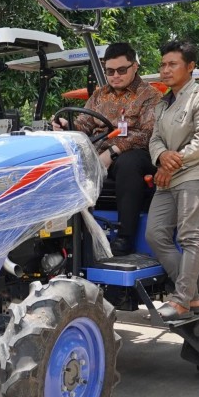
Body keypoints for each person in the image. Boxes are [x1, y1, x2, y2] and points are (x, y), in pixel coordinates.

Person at [52, 42, 162, 255]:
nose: (116, 76)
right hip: (101, 152)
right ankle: (69, 232)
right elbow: (85, 123)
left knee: (127, 164)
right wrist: (67, 124)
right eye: (110, 71)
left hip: (137, 152)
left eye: (122, 70)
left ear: (134, 66)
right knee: (62, 162)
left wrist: (113, 152)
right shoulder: (100, 95)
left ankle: (124, 237)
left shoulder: (150, 95)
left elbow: (147, 133)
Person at [144, 40, 199, 322]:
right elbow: (154, 138)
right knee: (154, 235)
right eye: (163, 64)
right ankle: (193, 295)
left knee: (190, 238)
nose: (165, 70)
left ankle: (180, 301)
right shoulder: (163, 103)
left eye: (172, 64)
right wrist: (161, 155)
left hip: (195, 175)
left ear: (190, 67)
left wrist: (172, 162)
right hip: (169, 176)